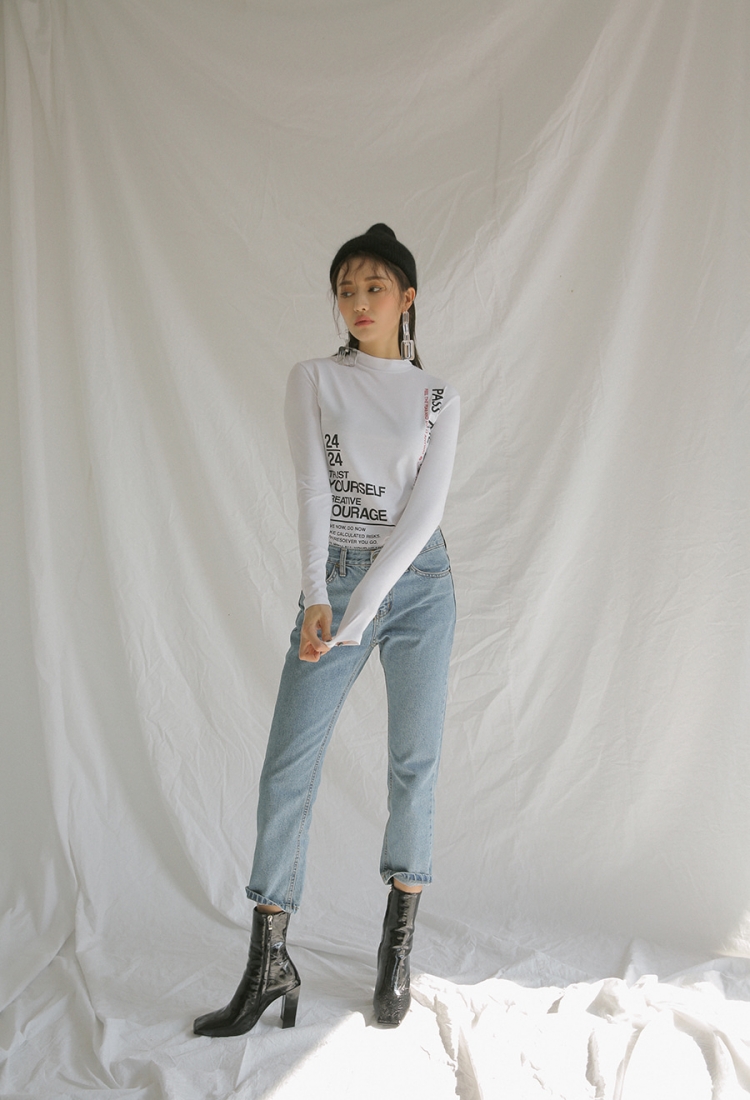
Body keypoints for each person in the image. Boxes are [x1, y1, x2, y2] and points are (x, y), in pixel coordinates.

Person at [194, 223, 460, 1037]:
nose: (358, 301)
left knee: (413, 766)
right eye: (346, 289)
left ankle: (396, 950)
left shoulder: (437, 396)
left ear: (407, 298)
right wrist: (320, 594)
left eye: (375, 287)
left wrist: (366, 608)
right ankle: (270, 959)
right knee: (287, 768)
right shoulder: (314, 379)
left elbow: (426, 512)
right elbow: (314, 488)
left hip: (420, 585)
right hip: (337, 578)